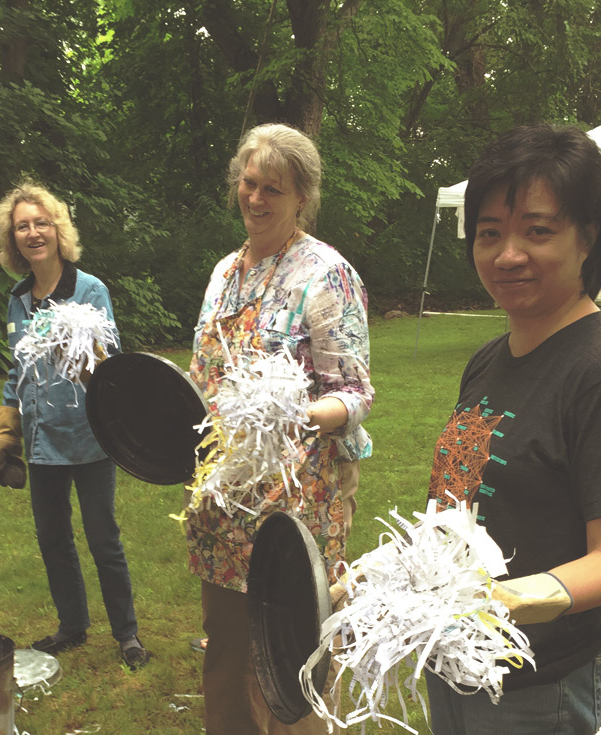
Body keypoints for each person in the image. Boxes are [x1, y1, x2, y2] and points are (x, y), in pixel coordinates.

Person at [425, 125, 601, 734]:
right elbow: (460, 500)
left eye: (538, 230)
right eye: (490, 233)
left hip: (540, 686)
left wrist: (497, 603)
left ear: (587, 238)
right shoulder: (488, 358)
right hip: (457, 662)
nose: (508, 254)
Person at [186, 123, 374, 734]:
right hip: (224, 501)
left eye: (274, 188)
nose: (257, 198)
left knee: (293, 660)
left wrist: (290, 413)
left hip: (298, 504)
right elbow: (202, 375)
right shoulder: (223, 274)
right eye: (250, 182)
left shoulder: (326, 275)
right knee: (227, 650)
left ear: (302, 199)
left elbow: (354, 394)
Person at [0, 181, 150, 670]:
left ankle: (127, 634)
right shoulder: (18, 299)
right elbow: (17, 370)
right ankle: (72, 626)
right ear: (12, 239)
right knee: (52, 536)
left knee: (103, 537)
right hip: (41, 441)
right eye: (22, 226)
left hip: (90, 435)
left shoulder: (89, 289)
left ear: (59, 230)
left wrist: (80, 353)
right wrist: (5, 431)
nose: (33, 232)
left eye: (42, 223)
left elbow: (112, 361)